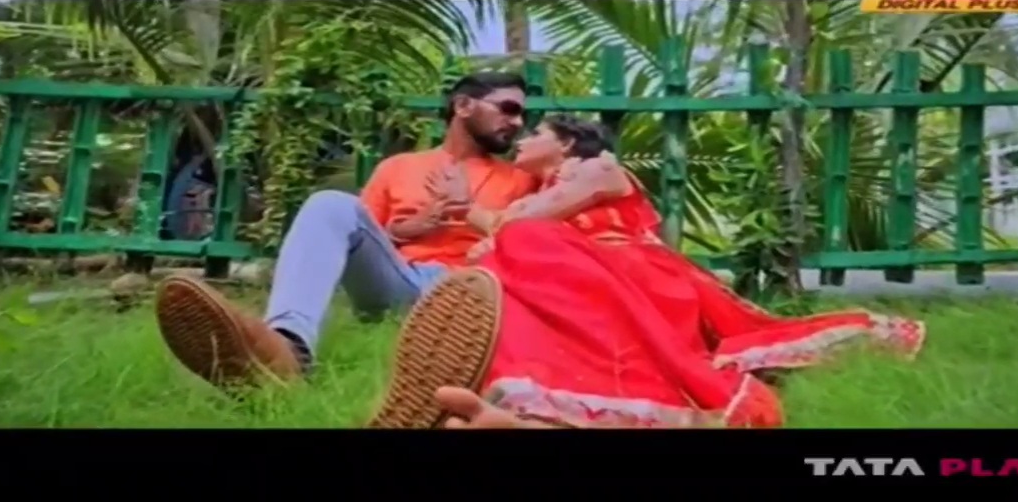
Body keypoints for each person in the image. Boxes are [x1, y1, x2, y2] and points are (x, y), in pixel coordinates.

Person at [367, 114, 926, 429]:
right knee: (506, 267)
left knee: (518, 243)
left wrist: (472, 210)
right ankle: (516, 394)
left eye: (535, 131)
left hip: (639, 275)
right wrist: (466, 211)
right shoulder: (538, 190)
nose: (523, 138)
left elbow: (526, 223)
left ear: (565, 142)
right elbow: (510, 224)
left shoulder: (598, 168)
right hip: (576, 276)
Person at [154, 72, 539, 389]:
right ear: (463, 105)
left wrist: (470, 211)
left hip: (469, 292)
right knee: (330, 204)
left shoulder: (523, 179)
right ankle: (287, 348)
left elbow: (538, 248)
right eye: (508, 109)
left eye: (522, 114)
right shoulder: (399, 167)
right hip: (399, 284)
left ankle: (259, 354)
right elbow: (359, 236)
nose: (517, 122)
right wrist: (410, 228)